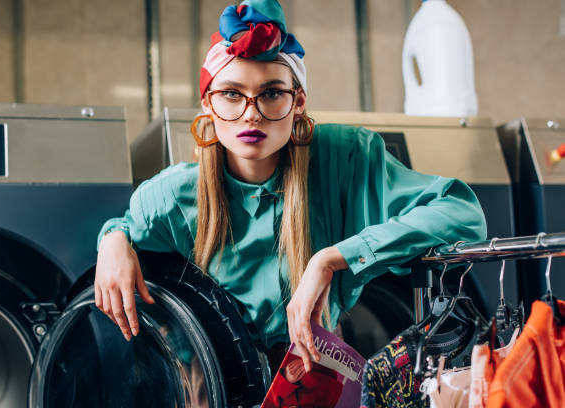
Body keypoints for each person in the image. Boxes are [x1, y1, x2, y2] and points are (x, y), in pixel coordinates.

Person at [94, 0, 487, 374]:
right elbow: (129, 231)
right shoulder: (172, 197)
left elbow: (462, 213)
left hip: (317, 383)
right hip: (215, 389)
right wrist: (113, 239)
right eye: (231, 94)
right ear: (208, 106)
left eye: (271, 94)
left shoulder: (345, 159)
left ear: (298, 101)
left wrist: (332, 259)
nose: (251, 113)